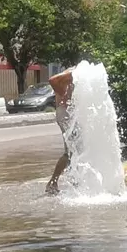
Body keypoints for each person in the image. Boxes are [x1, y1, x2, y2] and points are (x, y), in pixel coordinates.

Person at [46, 67, 75, 195]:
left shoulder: (75, 74)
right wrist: (64, 96)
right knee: (71, 151)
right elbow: (52, 80)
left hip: (67, 113)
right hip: (65, 114)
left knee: (75, 150)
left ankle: (57, 182)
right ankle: (53, 182)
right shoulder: (75, 72)